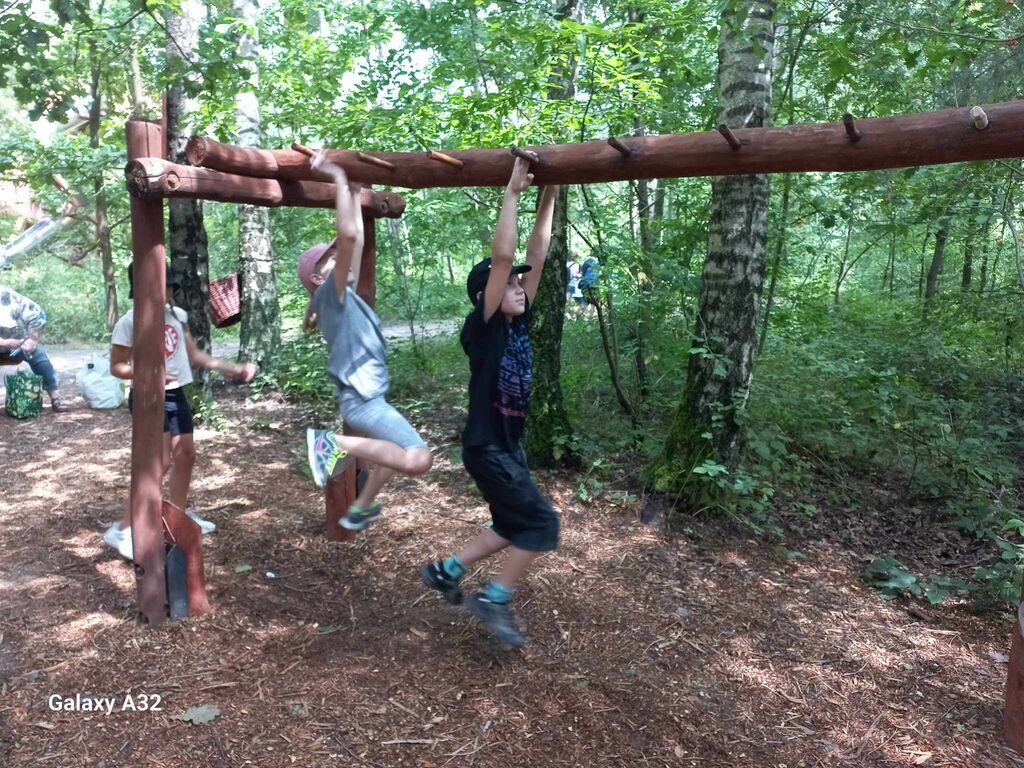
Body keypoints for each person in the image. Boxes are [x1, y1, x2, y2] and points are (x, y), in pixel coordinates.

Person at [420, 158, 560, 647]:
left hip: (506, 447)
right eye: (510, 285)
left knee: (508, 525)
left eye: (521, 285)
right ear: (486, 295)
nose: (520, 287)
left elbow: (534, 258)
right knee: (541, 524)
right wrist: (514, 192)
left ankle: (446, 570)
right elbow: (504, 261)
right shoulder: (482, 329)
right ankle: (495, 597)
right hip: (488, 447)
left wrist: (551, 195)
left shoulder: (518, 321)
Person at [302, 151, 433, 532]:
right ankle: (329, 444)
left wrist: (356, 194)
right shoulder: (331, 293)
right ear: (316, 274)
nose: (337, 257)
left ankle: (360, 506)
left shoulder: (341, 297)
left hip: (367, 399)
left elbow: (352, 244)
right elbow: (349, 237)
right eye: (328, 257)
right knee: (417, 458)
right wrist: (339, 181)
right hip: (363, 401)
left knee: (393, 455)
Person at [102, 264, 257, 560]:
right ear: (142, 288)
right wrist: (149, 375)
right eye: (162, 285)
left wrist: (232, 369)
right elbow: (118, 366)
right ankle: (121, 529)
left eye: (170, 285)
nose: (168, 291)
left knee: (185, 455)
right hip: (148, 397)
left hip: (176, 395)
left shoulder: (178, 316)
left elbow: (194, 355)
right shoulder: (129, 321)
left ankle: (177, 517)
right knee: (159, 462)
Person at [0, 285, 69, 411]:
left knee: (38, 354)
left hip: (14, 345)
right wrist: (4, 342)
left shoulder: (10, 297)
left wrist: (32, 339)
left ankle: (56, 397)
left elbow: (37, 315)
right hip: (5, 343)